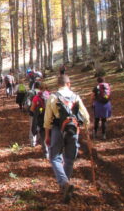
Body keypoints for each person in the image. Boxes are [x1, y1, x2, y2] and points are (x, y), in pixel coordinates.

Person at [44, 75, 90, 203]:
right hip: (73, 129)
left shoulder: (53, 97)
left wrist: (47, 135)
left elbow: (47, 119)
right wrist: (86, 127)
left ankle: (64, 183)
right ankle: (65, 183)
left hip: (58, 129)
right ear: (68, 84)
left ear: (58, 84)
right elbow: (85, 116)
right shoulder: (76, 97)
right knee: (69, 158)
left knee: (54, 157)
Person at [30, 82, 50, 158]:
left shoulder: (36, 97)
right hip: (51, 118)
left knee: (43, 135)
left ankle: (46, 153)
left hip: (41, 119)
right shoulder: (51, 96)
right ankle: (53, 151)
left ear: (39, 88)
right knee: (51, 134)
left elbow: (32, 109)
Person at [25, 81, 40, 146]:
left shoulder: (31, 92)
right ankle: (39, 140)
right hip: (41, 112)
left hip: (32, 112)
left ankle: (32, 142)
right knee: (40, 125)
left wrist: (28, 109)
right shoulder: (43, 93)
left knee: (32, 126)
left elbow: (27, 103)